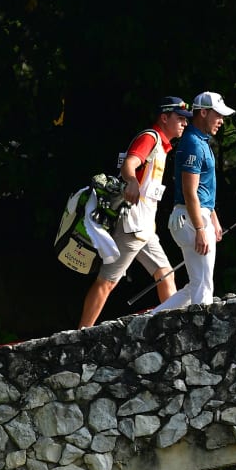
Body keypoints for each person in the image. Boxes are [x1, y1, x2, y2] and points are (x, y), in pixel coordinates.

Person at [78, 97, 193, 328]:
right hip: (132, 226)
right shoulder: (150, 138)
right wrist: (131, 181)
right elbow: (129, 164)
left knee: (165, 274)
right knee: (108, 281)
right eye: (179, 119)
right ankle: (81, 333)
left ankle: (172, 328)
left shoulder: (162, 145)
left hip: (144, 227)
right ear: (164, 118)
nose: (184, 124)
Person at [152, 91, 236, 313]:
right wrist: (200, 227)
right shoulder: (193, 143)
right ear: (204, 112)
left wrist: (213, 218)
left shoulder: (199, 141)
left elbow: (202, 190)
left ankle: (150, 321)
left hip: (195, 216)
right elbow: (189, 192)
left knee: (195, 285)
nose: (221, 121)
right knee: (204, 285)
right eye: (217, 115)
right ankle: (203, 336)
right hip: (191, 219)